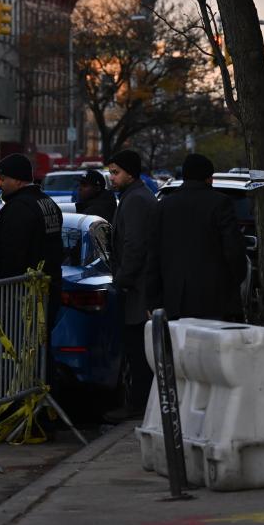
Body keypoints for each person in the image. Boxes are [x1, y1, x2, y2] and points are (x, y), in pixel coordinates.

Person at [146, 153, 247, 322]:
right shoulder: (220, 203)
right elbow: (233, 250)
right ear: (209, 178)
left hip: (175, 300)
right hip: (214, 298)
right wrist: (234, 281)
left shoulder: (163, 206)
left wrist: (153, 299)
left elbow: (153, 255)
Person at [106, 148, 158, 421]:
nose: (111, 178)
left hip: (138, 289)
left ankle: (139, 404)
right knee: (137, 348)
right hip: (138, 286)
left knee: (138, 350)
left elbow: (134, 245)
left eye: (115, 172)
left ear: (130, 173)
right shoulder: (133, 196)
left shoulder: (136, 199)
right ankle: (138, 402)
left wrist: (123, 279)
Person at [0, 153, 64, 326]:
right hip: (47, 290)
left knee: (18, 348)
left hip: (22, 296)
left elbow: (11, 254)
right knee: (40, 347)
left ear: (18, 180)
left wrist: (4, 288)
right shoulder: (48, 203)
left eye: (2, 179)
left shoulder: (18, 208)